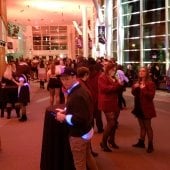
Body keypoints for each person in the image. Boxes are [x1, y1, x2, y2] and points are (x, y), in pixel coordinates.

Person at [55, 67, 98, 170]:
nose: (64, 82)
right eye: (62, 79)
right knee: (88, 157)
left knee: (79, 164)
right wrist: (67, 110)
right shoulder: (78, 89)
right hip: (86, 131)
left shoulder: (77, 94)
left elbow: (79, 119)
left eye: (67, 78)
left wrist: (64, 117)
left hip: (79, 135)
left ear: (74, 77)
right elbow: (82, 111)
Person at [131, 66, 156, 153]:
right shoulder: (138, 82)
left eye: (143, 71)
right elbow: (134, 93)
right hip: (138, 107)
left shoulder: (150, 83)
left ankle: (150, 145)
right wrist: (135, 87)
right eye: (140, 71)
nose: (141, 73)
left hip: (146, 108)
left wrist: (143, 88)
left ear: (146, 73)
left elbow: (151, 96)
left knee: (148, 126)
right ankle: (141, 142)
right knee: (142, 126)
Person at [98, 63, 122, 152]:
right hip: (106, 102)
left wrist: (119, 84)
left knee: (114, 123)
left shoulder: (113, 77)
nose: (114, 71)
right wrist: (116, 85)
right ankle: (103, 143)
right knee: (111, 123)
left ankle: (111, 140)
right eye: (112, 69)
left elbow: (118, 87)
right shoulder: (102, 77)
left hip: (113, 102)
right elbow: (104, 89)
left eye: (114, 70)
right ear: (108, 69)